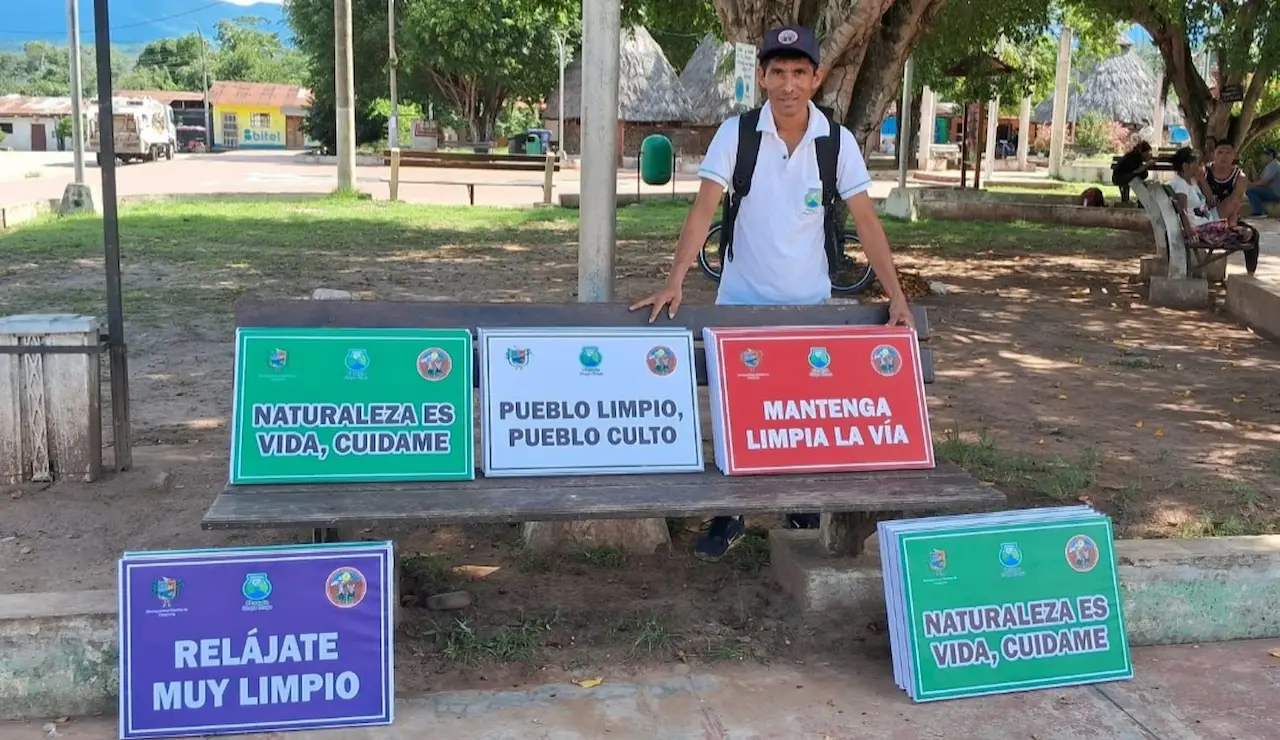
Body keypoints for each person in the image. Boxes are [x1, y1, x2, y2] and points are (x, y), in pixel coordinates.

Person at [628, 25, 914, 562]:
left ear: (817, 78)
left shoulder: (836, 142)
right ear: (762, 77)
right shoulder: (736, 136)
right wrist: (675, 280)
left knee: (799, 413)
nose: (788, 85)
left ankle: (800, 506)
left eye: (799, 73)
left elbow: (869, 225)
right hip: (740, 303)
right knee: (738, 414)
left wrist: (896, 295)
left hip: (808, 308)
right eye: (777, 73)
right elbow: (703, 210)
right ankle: (730, 514)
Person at [1168, 147, 1259, 275]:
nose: (1199, 166)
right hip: (1202, 228)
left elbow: (1211, 201)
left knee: (1250, 233)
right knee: (1249, 234)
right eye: (1196, 163)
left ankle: (1234, 229)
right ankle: (1249, 271)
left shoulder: (1192, 181)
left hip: (1209, 221)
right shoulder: (1181, 185)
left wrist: (1201, 179)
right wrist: (1189, 231)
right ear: (1185, 166)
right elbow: (1182, 209)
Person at [1204, 141, 1249, 225]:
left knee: (1250, 234)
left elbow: (1236, 204)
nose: (1224, 157)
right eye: (1220, 152)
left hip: (1228, 217)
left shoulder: (1240, 177)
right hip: (1204, 213)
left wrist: (1231, 228)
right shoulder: (1203, 172)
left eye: (1228, 153)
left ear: (1234, 155)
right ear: (1214, 154)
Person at [1246, 146, 1280, 218]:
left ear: (1270, 155)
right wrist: (1252, 168)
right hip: (1271, 192)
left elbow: (1264, 182)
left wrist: (1250, 185)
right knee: (1252, 190)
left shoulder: (1274, 165)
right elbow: (1258, 180)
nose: (1262, 157)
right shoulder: (1269, 166)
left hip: (1276, 193)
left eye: (1264, 155)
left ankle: (1259, 212)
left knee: (1250, 191)